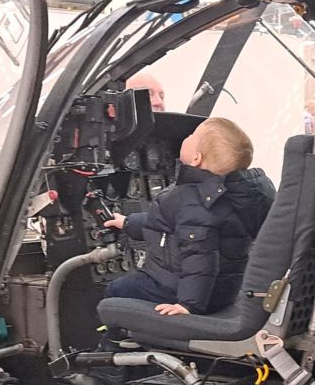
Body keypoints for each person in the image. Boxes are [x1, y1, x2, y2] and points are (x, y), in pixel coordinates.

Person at [102, 117, 272, 316]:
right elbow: (166, 225)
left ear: (196, 158)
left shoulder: (196, 201)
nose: (187, 136)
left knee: (117, 291)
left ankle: (113, 335)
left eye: (192, 135)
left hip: (178, 289)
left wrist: (188, 305)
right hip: (224, 292)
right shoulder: (237, 196)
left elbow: (200, 256)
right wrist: (127, 223)